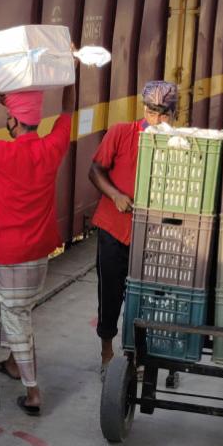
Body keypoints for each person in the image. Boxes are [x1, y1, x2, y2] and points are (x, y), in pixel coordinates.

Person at [0, 82, 76, 416]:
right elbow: (68, 113)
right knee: (20, 307)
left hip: (10, 251)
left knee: (16, 313)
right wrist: (70, 78)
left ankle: (33, 392)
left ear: (14, 123)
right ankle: (11, 362)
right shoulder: (52, 147)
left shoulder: (2, 154)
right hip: (40, 249)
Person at [89, 81, 179, 379]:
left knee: (146, 298)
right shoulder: (121, 133)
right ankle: (106, 352)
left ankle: (138, 355)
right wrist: (115, 194)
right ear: (144, 109)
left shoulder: (177, 144)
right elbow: (95, 171)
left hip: (152, 235)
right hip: (114, 229)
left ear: (173, 112)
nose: (156, 119)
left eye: (162, 113)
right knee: (110, 293)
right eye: (152, 112)